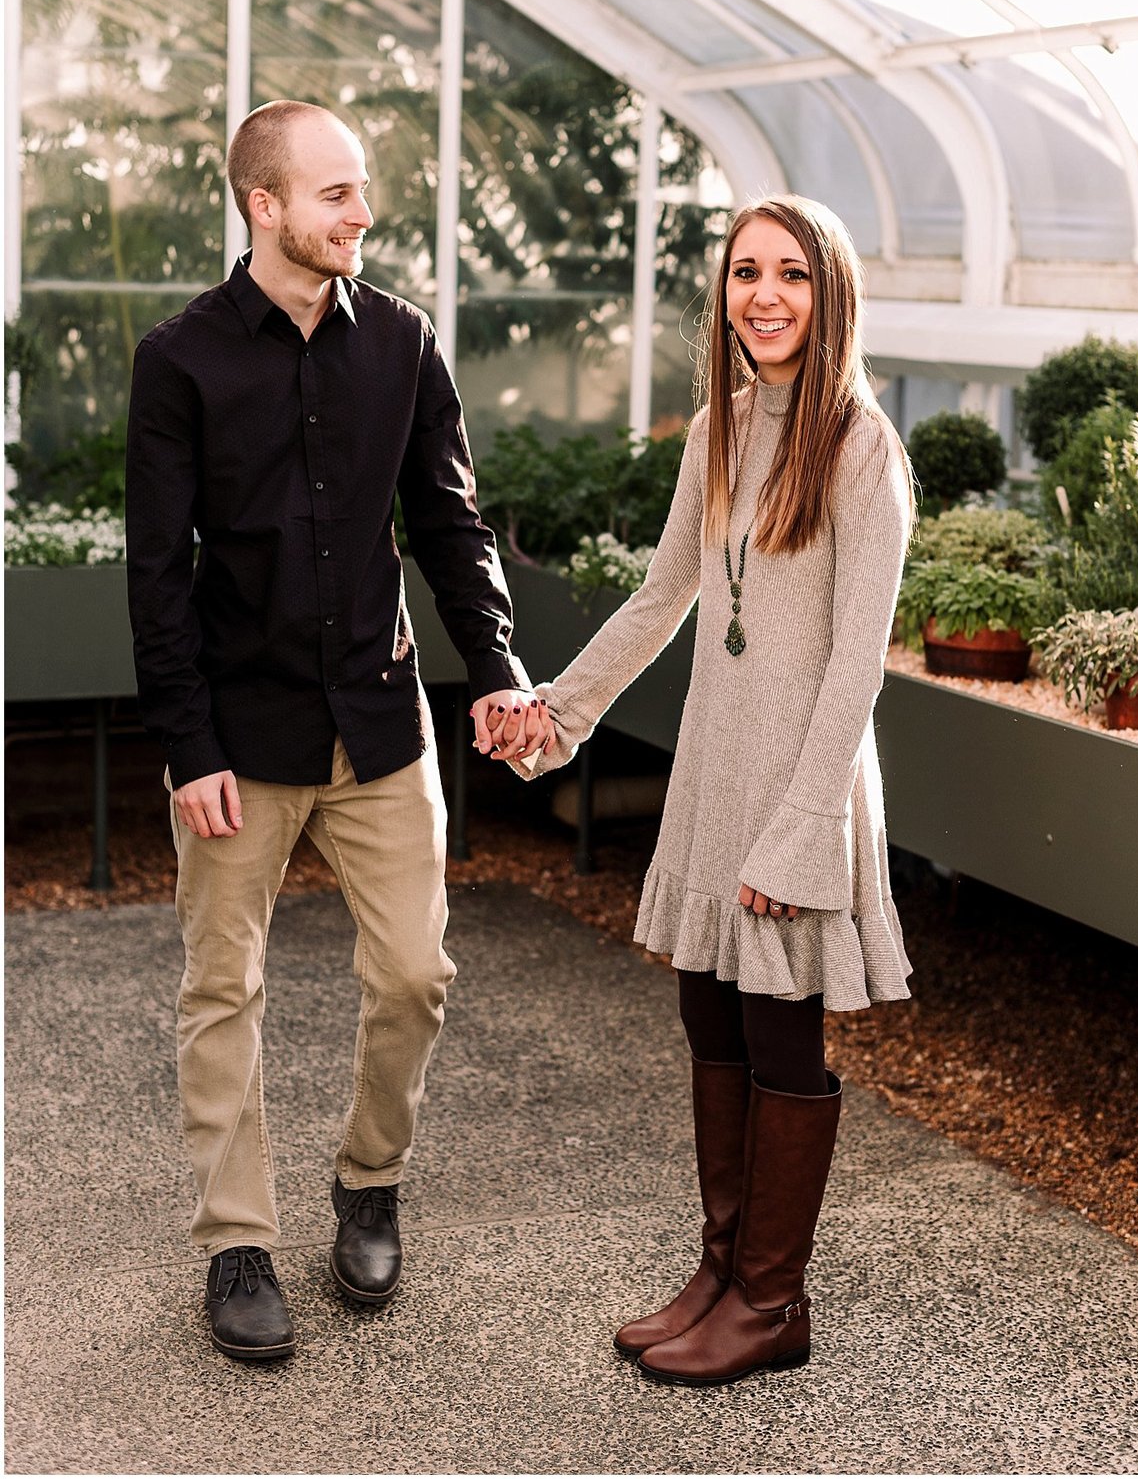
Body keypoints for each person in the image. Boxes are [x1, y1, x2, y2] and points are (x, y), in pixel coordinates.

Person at [125, 99, 552, 1362]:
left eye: (361, 191)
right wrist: (186, 740)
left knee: (417, 973)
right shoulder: (182, 358)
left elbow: (450, 521)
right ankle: (236, 1240)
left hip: (379, 716)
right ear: (263, 205)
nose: (361, 213)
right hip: (238, 732)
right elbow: (157, 570)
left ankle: (370, 1179)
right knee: (222, 985)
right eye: (334, 195)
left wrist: (496, 663)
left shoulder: (405, 344)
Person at [491, 193, 914, 1388]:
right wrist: (557, 712)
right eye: (745, 274)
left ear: (830, 296)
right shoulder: (720, 430)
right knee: (707, 1014)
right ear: (722, 293)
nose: (765, 296)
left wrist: (801, 828)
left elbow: (855, 661)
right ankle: (724, 1268)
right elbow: (661, 593)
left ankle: (775, 1300)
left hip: (800, 777)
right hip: (713, 765)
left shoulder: (861, 445)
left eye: (791, 275)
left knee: (781, 1026)